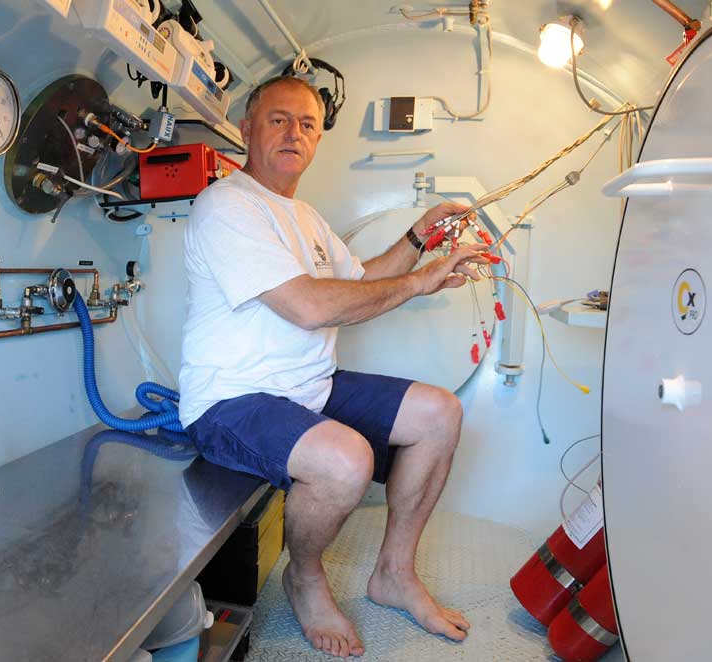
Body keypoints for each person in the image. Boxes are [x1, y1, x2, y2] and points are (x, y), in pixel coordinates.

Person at [178, 74, 489, 658]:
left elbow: (362, 280)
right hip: (231, 401)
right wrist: (419, 283)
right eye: (278, 120)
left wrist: (419, 237)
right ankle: (305, 575)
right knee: (347, 461)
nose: (293, 133)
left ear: (318, 139)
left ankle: (394, 573)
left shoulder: (306, 217)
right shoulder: (227, 205)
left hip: (309, 387)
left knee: (440, 413)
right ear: (246, 129)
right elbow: (310, 307)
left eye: (307, 124)